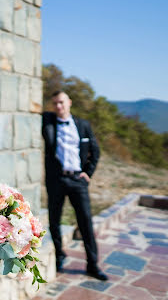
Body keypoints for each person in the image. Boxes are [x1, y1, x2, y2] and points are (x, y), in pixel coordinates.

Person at [42, 91, 108, 281]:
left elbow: (95, 151)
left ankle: (93, 264)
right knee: (54, 220)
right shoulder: (48, 121)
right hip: (57, 180)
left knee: (85, 221)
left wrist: (88, 173)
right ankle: (59, 256)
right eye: (55, 103)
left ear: (69, 102)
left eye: (61, 102)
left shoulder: (83, 125)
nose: (58, 107)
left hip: (78, 181)